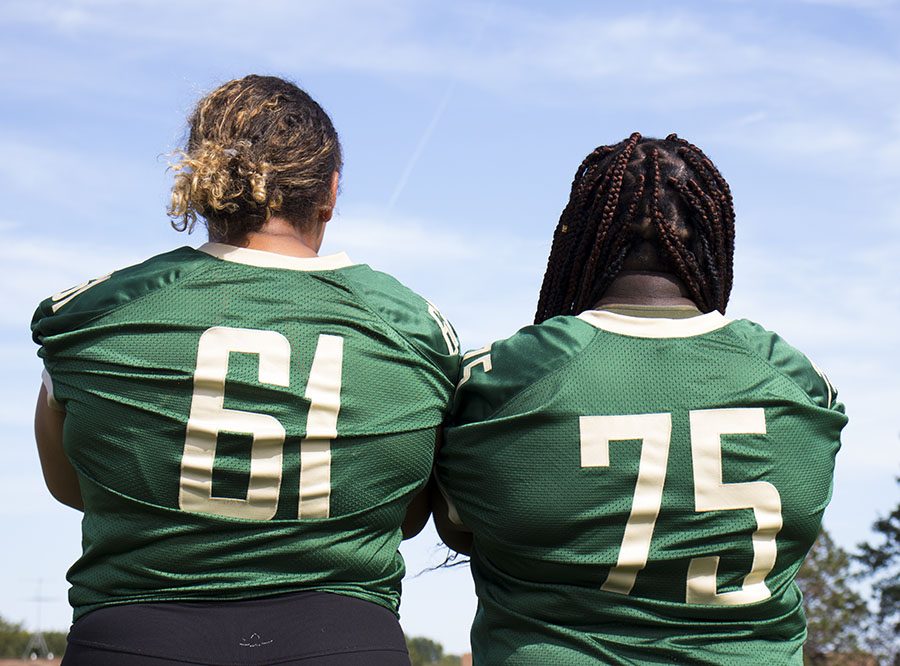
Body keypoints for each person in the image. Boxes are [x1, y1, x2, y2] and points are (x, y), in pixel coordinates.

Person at [32, 74, 460, 665]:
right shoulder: (415, 329)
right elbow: (410, 514)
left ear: (202, 183)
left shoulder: (93, 316)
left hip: (134, 638)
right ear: (330, 192)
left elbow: (71, 486)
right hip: (344, 640)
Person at [435, 133, 847, 665]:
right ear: (711, 241)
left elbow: (459, 527)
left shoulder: (502, 381)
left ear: (581, 239)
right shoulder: (800, 383)